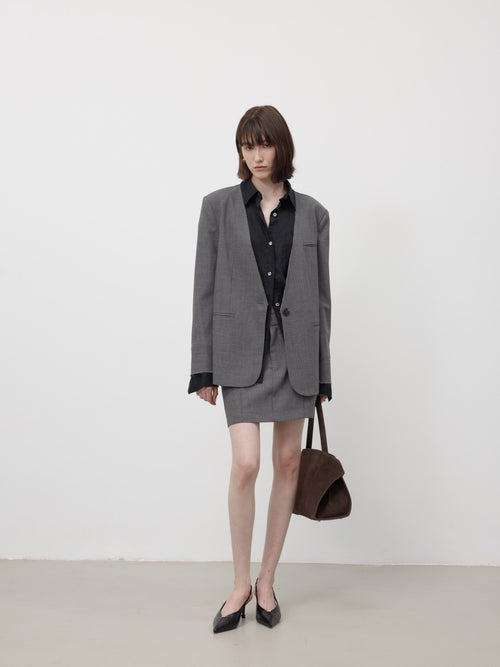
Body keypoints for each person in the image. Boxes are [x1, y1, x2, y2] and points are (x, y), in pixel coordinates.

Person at [188, 105, 332, 633]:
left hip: (296, 356)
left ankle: (267, 581)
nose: (257, 155)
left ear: (281, 147)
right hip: (239, 353)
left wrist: (323, 374)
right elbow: (204, 289)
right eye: (247, 146)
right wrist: (203, 369)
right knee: (247, 464)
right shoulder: (217, 207)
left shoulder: (313, 213)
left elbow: (321, 301)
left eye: (264, 144)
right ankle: (239, 583)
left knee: (288, 463)